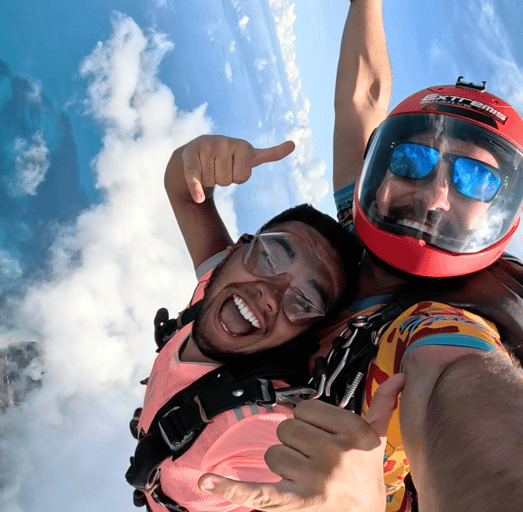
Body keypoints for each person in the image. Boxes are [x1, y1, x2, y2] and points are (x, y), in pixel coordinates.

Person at [197, 1, 523, 510]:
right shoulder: (348, 235)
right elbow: (362, 97)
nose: (436, 194)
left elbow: (463, 387)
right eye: (413, 158)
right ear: (380, 169)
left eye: (474, 180)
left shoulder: (439, 325)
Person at [129, 133, 363, 512]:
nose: (270, 293)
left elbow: (318, 486)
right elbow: (184, 190)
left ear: (302, 337)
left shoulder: (257, 426)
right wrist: (196, 158)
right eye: (270, 256)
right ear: (236, 249)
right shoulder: (211, 290)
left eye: (303, 301)